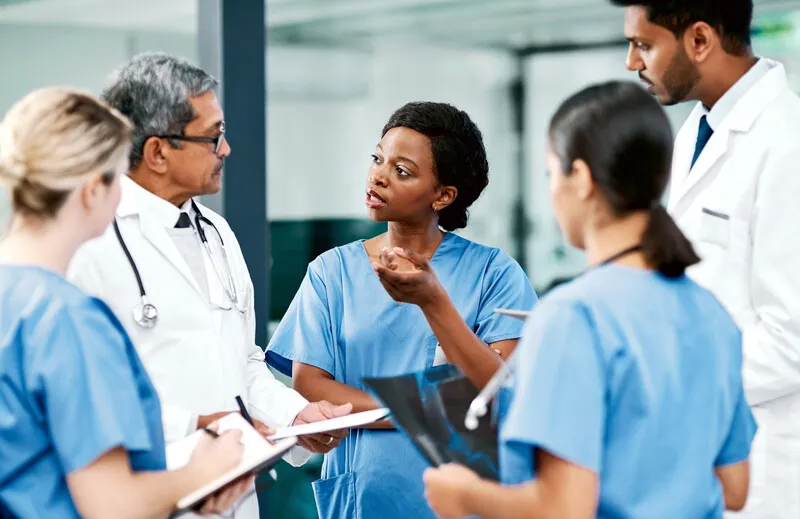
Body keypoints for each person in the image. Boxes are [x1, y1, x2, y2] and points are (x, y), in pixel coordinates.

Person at [422, 81, 757, 519]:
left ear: (579, 178)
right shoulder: (711, 314)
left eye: (551, 173)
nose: (552, 191)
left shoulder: (572, 317)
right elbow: (735, 487)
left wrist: (465, 495)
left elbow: (564, 508)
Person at [67, 53, 350, 519]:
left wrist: (295, 417)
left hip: (233, 493)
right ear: (158, 151)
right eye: (212, 135)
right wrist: (203, 431)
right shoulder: (91, 241)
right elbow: (84, 398)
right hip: (147, 493)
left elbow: (243, 363)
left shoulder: (217, 232)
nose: (226, 149)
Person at [266, 101, 537, 519]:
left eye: (402, 170)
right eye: (378, 159)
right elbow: (311, 389)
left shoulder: (494, 273)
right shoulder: (331, 273)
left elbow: (499, 393)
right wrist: (426, 411)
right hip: (363, 498)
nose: (378, 175)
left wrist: (376, 407)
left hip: (463, 500)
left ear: (443, 195)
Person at [0, 87, 252, 518]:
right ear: (91, 189)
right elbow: (113, 507)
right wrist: (204, 472)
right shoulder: (67, 320)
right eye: (119, 178)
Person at [611, 1, 800, 516]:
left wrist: (676, 383)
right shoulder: (697, 129)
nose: (632, 63)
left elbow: (791, 340)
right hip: (698, 449)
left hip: (763, 465)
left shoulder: (787, 144)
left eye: (644, 45)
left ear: (699, 40)